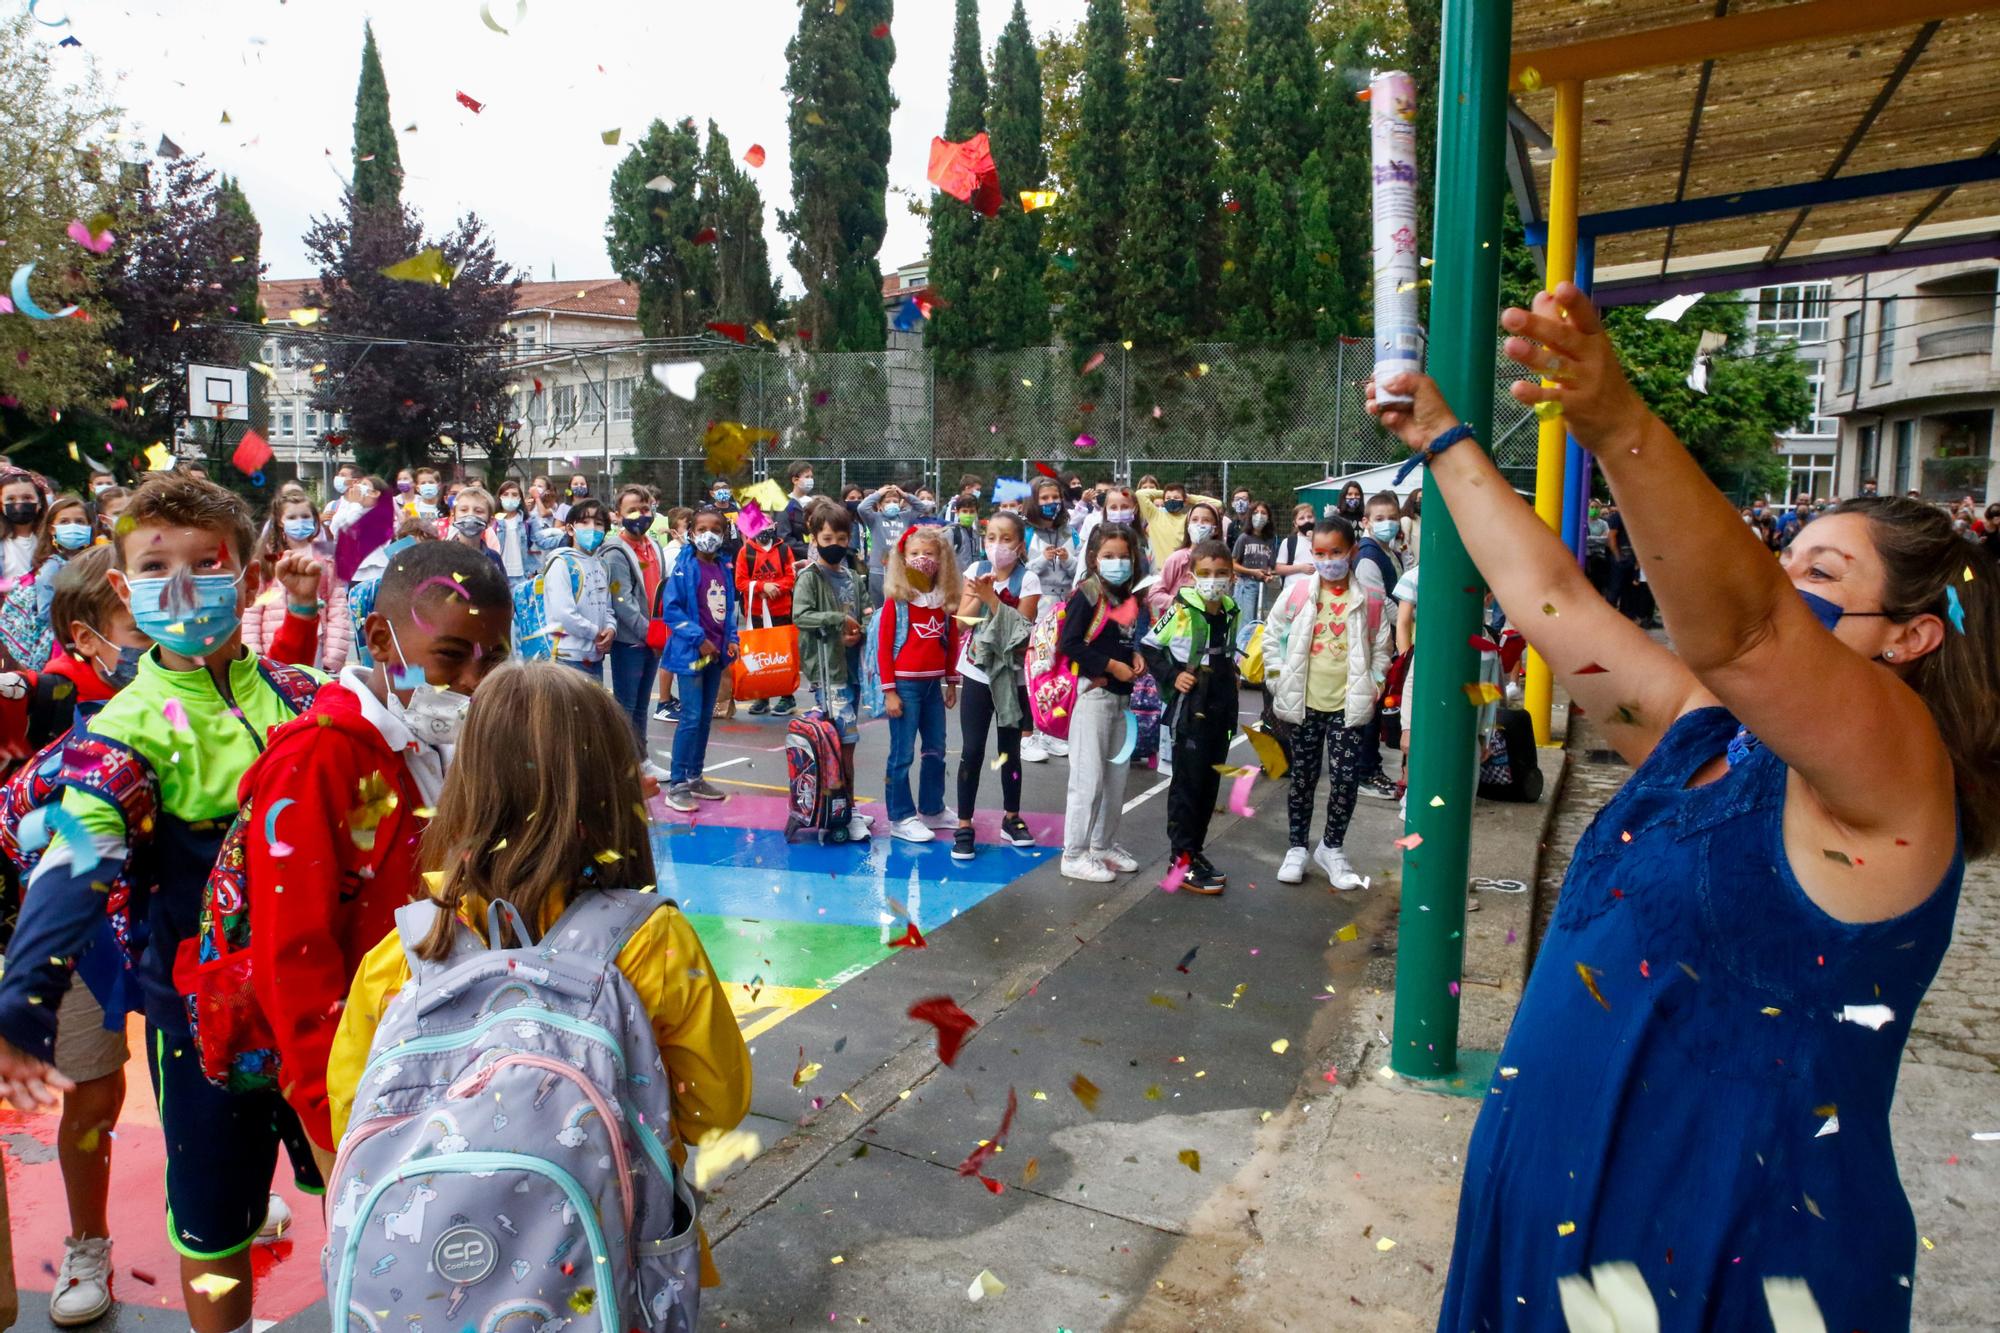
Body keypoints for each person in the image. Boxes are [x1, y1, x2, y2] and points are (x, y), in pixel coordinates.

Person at [1368, 281, 2000, 1331]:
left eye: (1819, 572)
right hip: (1552, 1217)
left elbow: (1746, 631)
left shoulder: (1896, 774)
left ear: (1909, 634)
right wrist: (1440, 439)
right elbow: (1552, 600)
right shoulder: (1707, 731)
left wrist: (1615, 418)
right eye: (1781, 555)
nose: (1776, 578)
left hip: (1728, 1250)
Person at [0, 474, 331, 1333]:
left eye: (207, 563)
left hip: (327, 1008)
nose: (183, 585)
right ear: (124, 588)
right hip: (204, 1028)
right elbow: (77, 856)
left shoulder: (300, 693)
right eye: (157, 564)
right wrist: (24, 994)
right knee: (214, 1223)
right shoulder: (126, 731)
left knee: (358, 1173)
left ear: (247, 578)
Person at [324, 661, 753, 1291]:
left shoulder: (405, 953)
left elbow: (349, 1117)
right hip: (606, 1273)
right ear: (612, 791)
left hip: (437, 1284)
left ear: (467, 785)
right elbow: (716, 1107)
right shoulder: (650, 942)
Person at [243, 541, 510, 1174]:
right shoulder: (318, 759)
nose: (473, 680)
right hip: (366, 1074)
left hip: (452, 1049)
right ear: (380, 640)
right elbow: (292, 950)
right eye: (449, 656)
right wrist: (331, 1113)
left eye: (492, 658)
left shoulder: (461, 737)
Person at [0, 549, 149, 1327]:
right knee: (89, 1088)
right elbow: (19, 812)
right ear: (88, 637)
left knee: (216, 1077)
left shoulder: (213, 691)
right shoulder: (56, 697)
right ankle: (87, 1239)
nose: (165, 631)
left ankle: (235, 1197)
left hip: (184, 931)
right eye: (139, 619)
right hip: (86, 933)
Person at [1265, 516, 1390, 890]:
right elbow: (1271, 636)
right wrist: (1277, 677)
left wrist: (1375, 682)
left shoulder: (1369, 600)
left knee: (1346, 780)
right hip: (1303, 703)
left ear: (1351, 551)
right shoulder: (1299, 592)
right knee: (1302, 778)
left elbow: (1382, 648)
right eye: (1320, 553)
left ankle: (1332, 848)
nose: (1328, 559)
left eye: (1336, 552)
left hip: (1347, 706)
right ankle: (1297, 848)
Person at [1142, 539, 1240, 894]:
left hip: (1222, 706)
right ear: (1192, 575)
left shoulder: (1230, 608)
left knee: (1209, 785)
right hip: (1192, 708)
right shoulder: (1181, 608)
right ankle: (1179, 858)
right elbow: (1150, 646)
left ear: (1231, 575)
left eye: (1221, 573)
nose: (1214, 580)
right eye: (1205, 574)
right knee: (1187, 784)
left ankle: (1194, 852)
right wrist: (1173, 675)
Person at [1056, 525, 1145, 883]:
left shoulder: (1126, 597)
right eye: (1109, 556)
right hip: (1093, 696)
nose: (1118, 562)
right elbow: (1070, 643)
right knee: (1088, 779)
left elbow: (1122, 639)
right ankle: (1074, 853)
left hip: (1122, 701)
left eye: (1124, 555)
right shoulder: (1088, 594)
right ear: (1093, 559)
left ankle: (1102, 845)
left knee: (1115, 779)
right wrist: (1111, 666)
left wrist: (1135, 655)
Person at [950, 511, 1040, 861]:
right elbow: (961, 625)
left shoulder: (1027, 580)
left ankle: (1012, 817)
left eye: (1006, 539)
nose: (997, 546)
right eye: (991, 538)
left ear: (1019, 545)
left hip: (1011, 676)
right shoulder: (974, 571)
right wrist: (978, 594)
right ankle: (964, 823)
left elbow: (1021, 630)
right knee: (972, 750)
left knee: (1009, 751)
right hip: (976, 673)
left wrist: (991, 599)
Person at [789, 503, 872, 841]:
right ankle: (845, 811)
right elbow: (801, 616)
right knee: (843, 746)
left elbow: (865, 613)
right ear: (815, 538)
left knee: (846, 743)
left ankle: (845, 805)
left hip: (853, 671)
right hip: (829, 674)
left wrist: (860, 629)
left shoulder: (853, 577)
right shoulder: (810, 577)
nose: (835, 543)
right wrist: (838, 620)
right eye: (827, 537)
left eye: (841, 536)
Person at [877, 525, 961, 843]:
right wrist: (889, 692)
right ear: (903, 558)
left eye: (929, 553)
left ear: (942, 559)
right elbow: (884, 649)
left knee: (936, 750)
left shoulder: (943, 600)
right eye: (914, 554)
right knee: (902, 754)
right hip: (905, 688)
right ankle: (900, 816)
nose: (922, 559)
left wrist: (951, 683)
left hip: (932, 688)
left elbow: (950, 642)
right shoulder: (897, 601)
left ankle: (932, 808)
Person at [659, 508, 738, 812]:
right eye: (702, 528)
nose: (709, 534)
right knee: (690, 717)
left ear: (723, 534)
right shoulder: (684, 567)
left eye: (715, 529)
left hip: (716, 656)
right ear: (691, 533)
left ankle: (695, 776)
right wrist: (698, 639)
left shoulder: (723, 567)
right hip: (691, 655)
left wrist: (732, 639)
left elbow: (727, 611)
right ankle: (677, 783)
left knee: (705, 717)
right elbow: (672, 611)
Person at [601, 484, 670, 779]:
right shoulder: (616, 551)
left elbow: (661, 589)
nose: (640, 515)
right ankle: (625, 764)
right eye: (632, 510)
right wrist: (650, 636)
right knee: (627, 707)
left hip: (653, 637)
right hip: (632, 642)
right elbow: (623, 603)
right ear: (618, 515)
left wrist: (662, 632)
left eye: (644, 509)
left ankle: (640, 759)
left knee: (641, 704)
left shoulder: (653, 546)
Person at [244, 493, 350, 674]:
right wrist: (254, 650)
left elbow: (337, 607)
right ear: (280, 521)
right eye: (292, 517)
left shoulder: (327, 558)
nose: (299, 522)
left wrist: (332, 656)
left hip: (315, 644)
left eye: (305, 516)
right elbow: (252, 608)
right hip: (273, 647)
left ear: (315, 519)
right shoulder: (266, 559)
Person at [1350, 492, 1407, 803]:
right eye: (1379, 518)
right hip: (1373, 642)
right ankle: (1364, 771)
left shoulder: (1389, 552)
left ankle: (1370, 766)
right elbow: (1378, 601)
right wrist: (1408, 620)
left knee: (1378, 705)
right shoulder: (1369, 556)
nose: (1387, 523)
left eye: (1391, 517)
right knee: (1371, 707)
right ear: (1366, 522)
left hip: (1385, 639)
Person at [1021, 477, 1078, 765]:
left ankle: (1051, 730)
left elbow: (1078, 569)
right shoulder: (1027, 532)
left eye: (1055, 497)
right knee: (1037, 667)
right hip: (1038, 605)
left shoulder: (1068, 531)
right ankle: (1029, 733)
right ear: (1035, 501)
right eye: (1044, 498)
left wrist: (1067, 559)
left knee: (1058, 670)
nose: (1050, 503)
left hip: (1063, 606)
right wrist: (1042, 559)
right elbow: (1023, 570)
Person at [540, 498, 614, 677]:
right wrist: (595, 633)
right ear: (570, 529)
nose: (592, 528)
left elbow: (608, 607)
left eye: (598, 524)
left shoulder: (602, 565)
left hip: (595, 657)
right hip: (567, 656)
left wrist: (611, 628)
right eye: (584, 522)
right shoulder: (561, 563)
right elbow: (564, 613)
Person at [734, 513, 798, 717]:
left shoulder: (784, 550)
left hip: (781, 611)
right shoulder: (746, 552)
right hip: (756, 613)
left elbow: (791, 576)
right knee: (760, 654)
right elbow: (740, 582)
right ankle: (762, 696)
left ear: (774, 525)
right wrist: (762, 586)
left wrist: (776, 587)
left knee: (782, 653)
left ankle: (787, 696)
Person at [1147, 500, 1222, 618]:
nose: (1199, 524)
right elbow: (1154, 595)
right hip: (1180, 627)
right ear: (1188, 526)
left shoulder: (1220, 561)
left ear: (1215, 529)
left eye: (1206, 520)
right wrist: (1178, 602)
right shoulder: (1178, 558)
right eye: (1195, 520)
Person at [1134, 479, 1222, 570]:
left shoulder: (1189, 518)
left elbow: (1217, 504)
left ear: (1184, 501)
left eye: (1176, 498)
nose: (1172, 500)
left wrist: (1189, 497)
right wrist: (1164, 492)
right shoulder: (1155, 515)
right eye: (1168, 498)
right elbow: (1140, 494)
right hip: (1159, 571)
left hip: (1183, 569)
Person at [856, 483, 917, 604]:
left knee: (899, 603)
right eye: (887, 502)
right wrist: (878, 494)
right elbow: (861, 508)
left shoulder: (905, 517)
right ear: (879, 505)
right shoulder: (874, 519)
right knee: (878, 605)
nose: (892, 504)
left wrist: (904, 495)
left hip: (900, 569)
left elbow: (921, 507)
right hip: (878, 569)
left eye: (895, 501)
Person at [1231, 500, 1279, 625]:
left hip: (1262, 586)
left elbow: (1271, 565)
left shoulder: (1270, 540)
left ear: (1268, 518)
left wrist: (1268, 574)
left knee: (1259, 622)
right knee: (1245, 622)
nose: (1259, 516)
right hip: (1245, 585)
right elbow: (1233, 564)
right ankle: (1242, 645)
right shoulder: (1244, 538)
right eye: (1256, 512)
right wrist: (1252, 572)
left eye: (1263, 513)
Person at [0, 469, 48, 595]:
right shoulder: (3, 543)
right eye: (10, 499)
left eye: (27, 498)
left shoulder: (52, 540)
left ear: (40, 502)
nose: (19, 504)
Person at [777, 461, 816, 557]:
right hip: (796, 558)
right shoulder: (785, 505)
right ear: (795, 480)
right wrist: (809, 551)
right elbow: (784, 537)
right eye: (807, 477)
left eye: (811, 477)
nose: (810, 480)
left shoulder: (814, 503)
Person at [947, 493, 983, 568]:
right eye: (965, 511)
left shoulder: (976, 534)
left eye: (972, 511)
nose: (968, 515)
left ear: (977, 512)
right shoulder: (951, 533)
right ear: (957, 512)